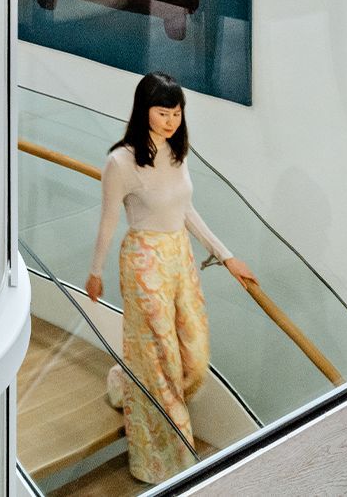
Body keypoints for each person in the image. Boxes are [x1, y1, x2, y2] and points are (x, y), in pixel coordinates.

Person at [86, 72, 256, 483]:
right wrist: (95, 272)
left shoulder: (178, 153)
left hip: (179, 254)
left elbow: (187, 211)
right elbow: (109, 220)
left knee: (194, 356)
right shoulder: (121, 162)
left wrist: (226, 256)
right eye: (163, 113)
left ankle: (126, 383)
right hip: (144, 262)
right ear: (144, 110)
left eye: (176, 113)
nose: (170, 121)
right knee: (161, 359)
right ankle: (171, 465)